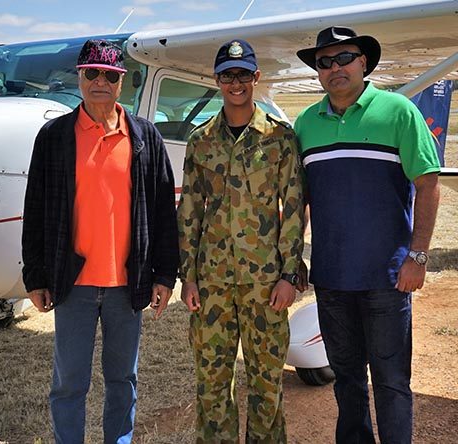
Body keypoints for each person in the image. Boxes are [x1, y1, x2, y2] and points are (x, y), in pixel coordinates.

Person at [21, 39, 179, 444]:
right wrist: (35, 276)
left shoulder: (144, 138)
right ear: (80, 77)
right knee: (69, 383)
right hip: (73, 281)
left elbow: (163, 211)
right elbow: (36, 209)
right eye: (92, 73)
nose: (100, 82)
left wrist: (165, 274)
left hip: (127, 284)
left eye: (109, 75)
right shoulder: (55, 137)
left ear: (121, 83)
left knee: (122, 379)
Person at [294, 26, 441, 443]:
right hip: (332, 278)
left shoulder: (398, 111)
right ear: (318, 72)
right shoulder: (305, 123)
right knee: (347, 380)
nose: (335, 68)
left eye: (345, 58)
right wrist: (293, 258)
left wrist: (418, 256)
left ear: (364, 62)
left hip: (387, 278)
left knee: (392, 381)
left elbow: (428, 184)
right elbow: (299, 200)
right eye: (325, 62)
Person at [177, 39, 305, 443]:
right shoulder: (201, 141)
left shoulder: (279, 138)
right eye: (228, 75)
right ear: (217, 80)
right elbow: (190, 212)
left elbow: (295, 208)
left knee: (267, 387)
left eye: (243, 74)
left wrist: (289, 274)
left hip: (266, 284)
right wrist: (189, 277)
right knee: (212, 385)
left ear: (256, 78)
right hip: (212, 283)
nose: (236, 83)